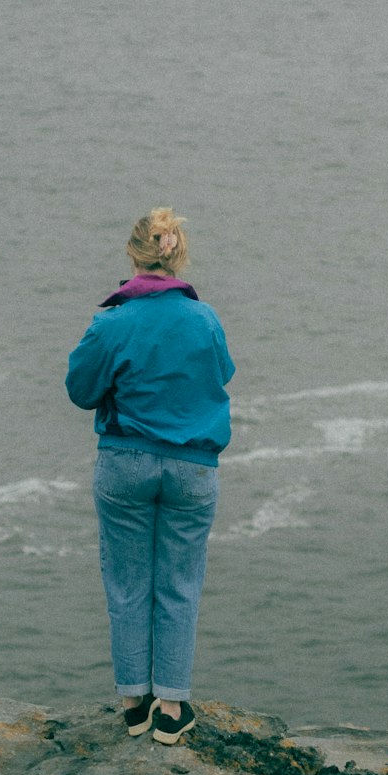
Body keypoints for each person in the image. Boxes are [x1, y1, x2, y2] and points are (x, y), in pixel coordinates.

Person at [66, 206, 235, 743]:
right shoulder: (205, 318)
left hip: (126, 462)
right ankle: (172, 707)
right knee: (180, 585)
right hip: (192, 466)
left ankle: (134, 702)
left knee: (128, 581)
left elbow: (81, 391)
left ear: (133, 253)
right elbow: (221, 374)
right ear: (177, 253)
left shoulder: (112, 322)